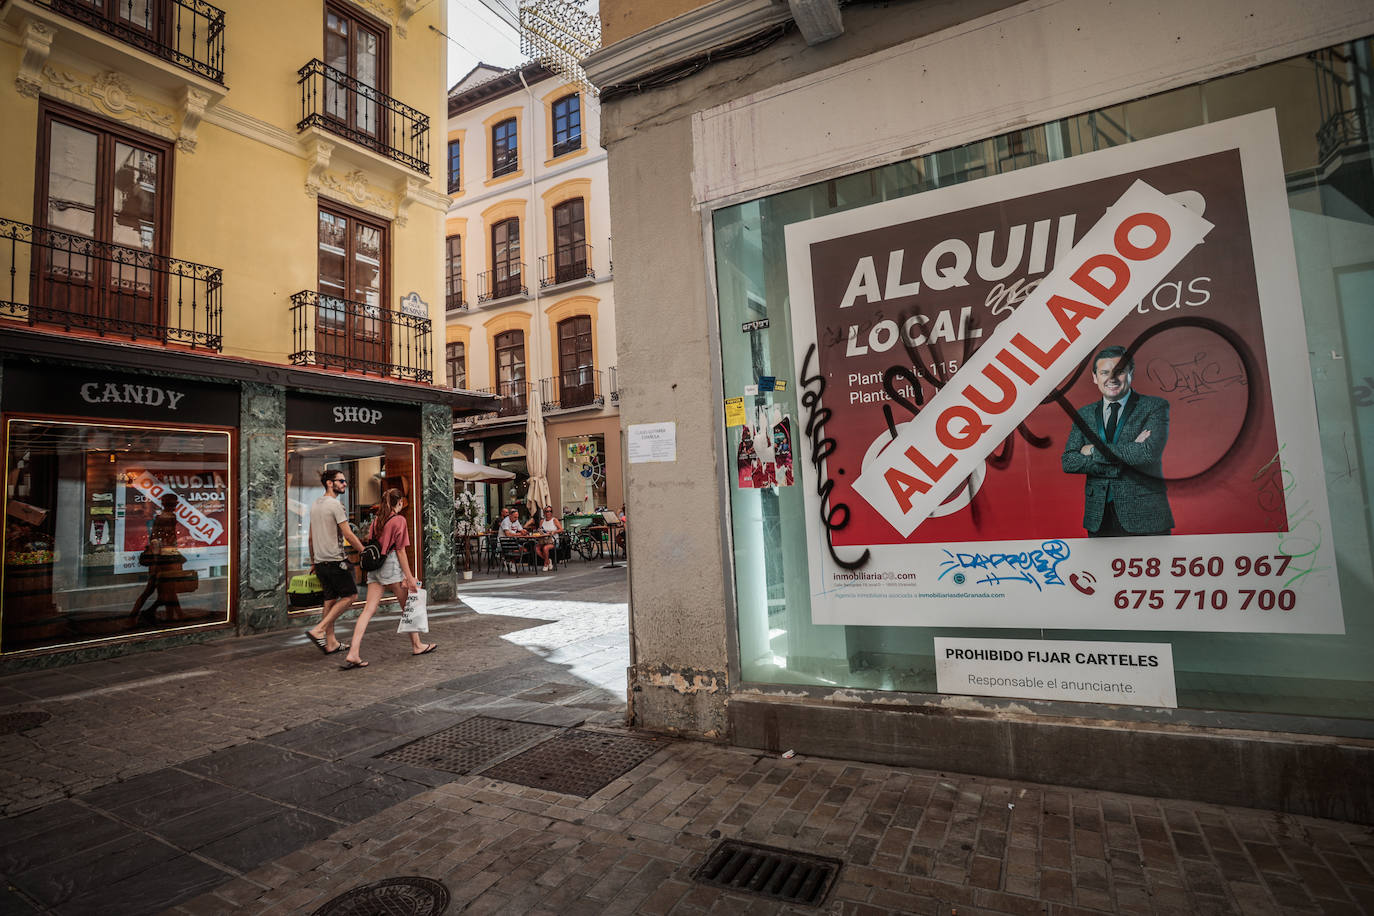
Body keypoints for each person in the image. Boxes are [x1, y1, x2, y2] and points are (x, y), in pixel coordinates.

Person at [1061, 345, 1174, 537]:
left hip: (1145, 516)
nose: (1111, 379)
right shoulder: (1084, 414)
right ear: (1095, 377)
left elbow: (1146, 453)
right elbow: (1069, 461)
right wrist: (1128, 453)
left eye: (1119, 372)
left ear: (1131, 373)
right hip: (1099, 517)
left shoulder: (1154, 407)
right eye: (1104, 372)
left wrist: (1093, 451)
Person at [339, 489, 434, 669]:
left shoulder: (377, 521)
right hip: (390, 565)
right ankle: (417, 645)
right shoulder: (399, 520)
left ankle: (353, 652)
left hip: (375, 567)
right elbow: (400, 551)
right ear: (399, 502)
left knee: (368, 610)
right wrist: (410, 576)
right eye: (402, 502)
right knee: (407, 605)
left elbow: (371, 541)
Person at [305, 469, 366, 654]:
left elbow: (310, 538)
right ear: (330, 483)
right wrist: (364, 551)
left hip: (321, 562)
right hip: (335, 560)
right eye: (341, 481)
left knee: (330, 601)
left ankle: (330, 642)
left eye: (345, 481)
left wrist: (314, 562)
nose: (345, 484)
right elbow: (348, 533)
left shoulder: (315, 504)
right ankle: (319, 629)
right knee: (351, 596)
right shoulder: (335, 505)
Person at [128, 493, 186, 625]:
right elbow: (155, 539)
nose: (175, 506)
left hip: (164, 558)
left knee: (164, 591)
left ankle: (172, 616)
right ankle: (134, 616)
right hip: (163, 560)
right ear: (169, 505)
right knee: (158, 590)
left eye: (174, 504)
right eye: (173, 504)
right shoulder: (165, 518)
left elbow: (157, 539)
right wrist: (156, 560)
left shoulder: (169, 517)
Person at [532, 506, 563, 571]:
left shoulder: (554, 520)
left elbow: (561, 530)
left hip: (553, 540)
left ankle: (545, 564)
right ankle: (548, 561)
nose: (548, 513)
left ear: (552, 512)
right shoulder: (542, 521)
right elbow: (540, 530)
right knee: (536, 548)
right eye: (547, 511)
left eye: (550, 511)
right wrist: (539, 531)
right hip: (543, 540)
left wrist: (554, 531)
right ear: (544, 513)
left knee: (545, 548)